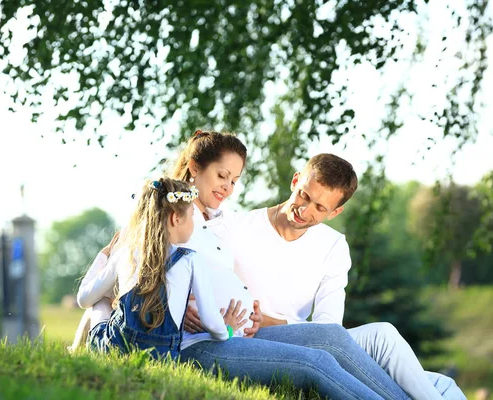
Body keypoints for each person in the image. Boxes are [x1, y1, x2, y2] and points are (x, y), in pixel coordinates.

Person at [76, 131, 411, 400]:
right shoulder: (169, 218)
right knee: (315, 361)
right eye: (223, 176)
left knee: (331, 337)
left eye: (234, 180)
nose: (228, 187)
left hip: (232, 332)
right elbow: (128, 287)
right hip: (198, 343)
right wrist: (181, 313)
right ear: (195, 168)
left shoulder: (219, 223)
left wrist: (240, 314)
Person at [195, 153, 465, 400]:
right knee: (436, 390)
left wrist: (273, 321)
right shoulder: (237, 227)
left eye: (320, 208)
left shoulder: (333, 245)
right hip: (252, 338)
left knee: (433, 376)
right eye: (304, 196)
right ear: (295, 181)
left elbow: (328, 327)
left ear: (335, 212)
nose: (305, 210)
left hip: (308, 338)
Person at [81, 178, 245, 359]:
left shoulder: (126, 253)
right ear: (176, 218)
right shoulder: (191, 260)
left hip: (114, 350)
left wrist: (105, 254)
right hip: (162, 357)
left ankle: (81, 352)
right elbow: (211, 322)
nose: (193, 223)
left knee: (100, 301)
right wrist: (228, 330)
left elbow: (84, 300)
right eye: (191, 216)